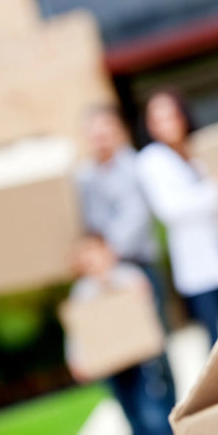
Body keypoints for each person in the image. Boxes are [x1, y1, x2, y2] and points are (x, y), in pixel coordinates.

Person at [136, 89, 218, 348]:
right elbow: (171, 209)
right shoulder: (152, 161)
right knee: (216, 338)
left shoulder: (199, 150)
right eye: (158, 119)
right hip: (198, 260)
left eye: (171, 116)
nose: (167, 124)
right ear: (150, 126)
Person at [65, 235, 176, 435]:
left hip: (141, 359)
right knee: (130, 411)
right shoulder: (82, 292)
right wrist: (75, 358)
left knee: (151, 410)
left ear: (109, 253)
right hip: (111, 366)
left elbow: (148, 311)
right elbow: (77, 330)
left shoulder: (129, 277)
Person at [75, 105, 169, 325]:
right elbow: (90, 221)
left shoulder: (135, 166)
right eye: (94, 132)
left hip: (140, 261)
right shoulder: (85, 177)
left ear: (118, 130)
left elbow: (137, 215)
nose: (100, 137)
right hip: (104, 272)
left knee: (155, 331)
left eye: (105, 130)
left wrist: (107, 252)